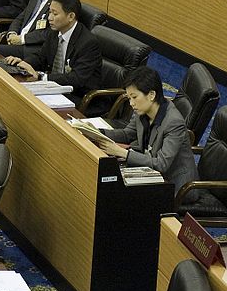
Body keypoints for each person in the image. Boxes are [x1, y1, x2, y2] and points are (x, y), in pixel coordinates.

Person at [84, 66, 198, 195]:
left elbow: (161, 164)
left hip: (175, 186)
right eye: (129, 98)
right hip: (149, 173)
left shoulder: (173, 122)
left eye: (134, 97)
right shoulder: (143, 110)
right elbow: (127, 134)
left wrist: (123, 153)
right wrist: (96, 133)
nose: (131, 103)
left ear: (151, 95)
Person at [4, 0, 101, 103]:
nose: (49, 18)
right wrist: (24, 65)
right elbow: (41, 56)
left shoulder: (88, 43)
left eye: (55, 14)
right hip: (54, 88)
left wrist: (41, 77)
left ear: (71, 16)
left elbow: (77, 79)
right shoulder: (54, 32)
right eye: (49, 12)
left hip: (79, 96)